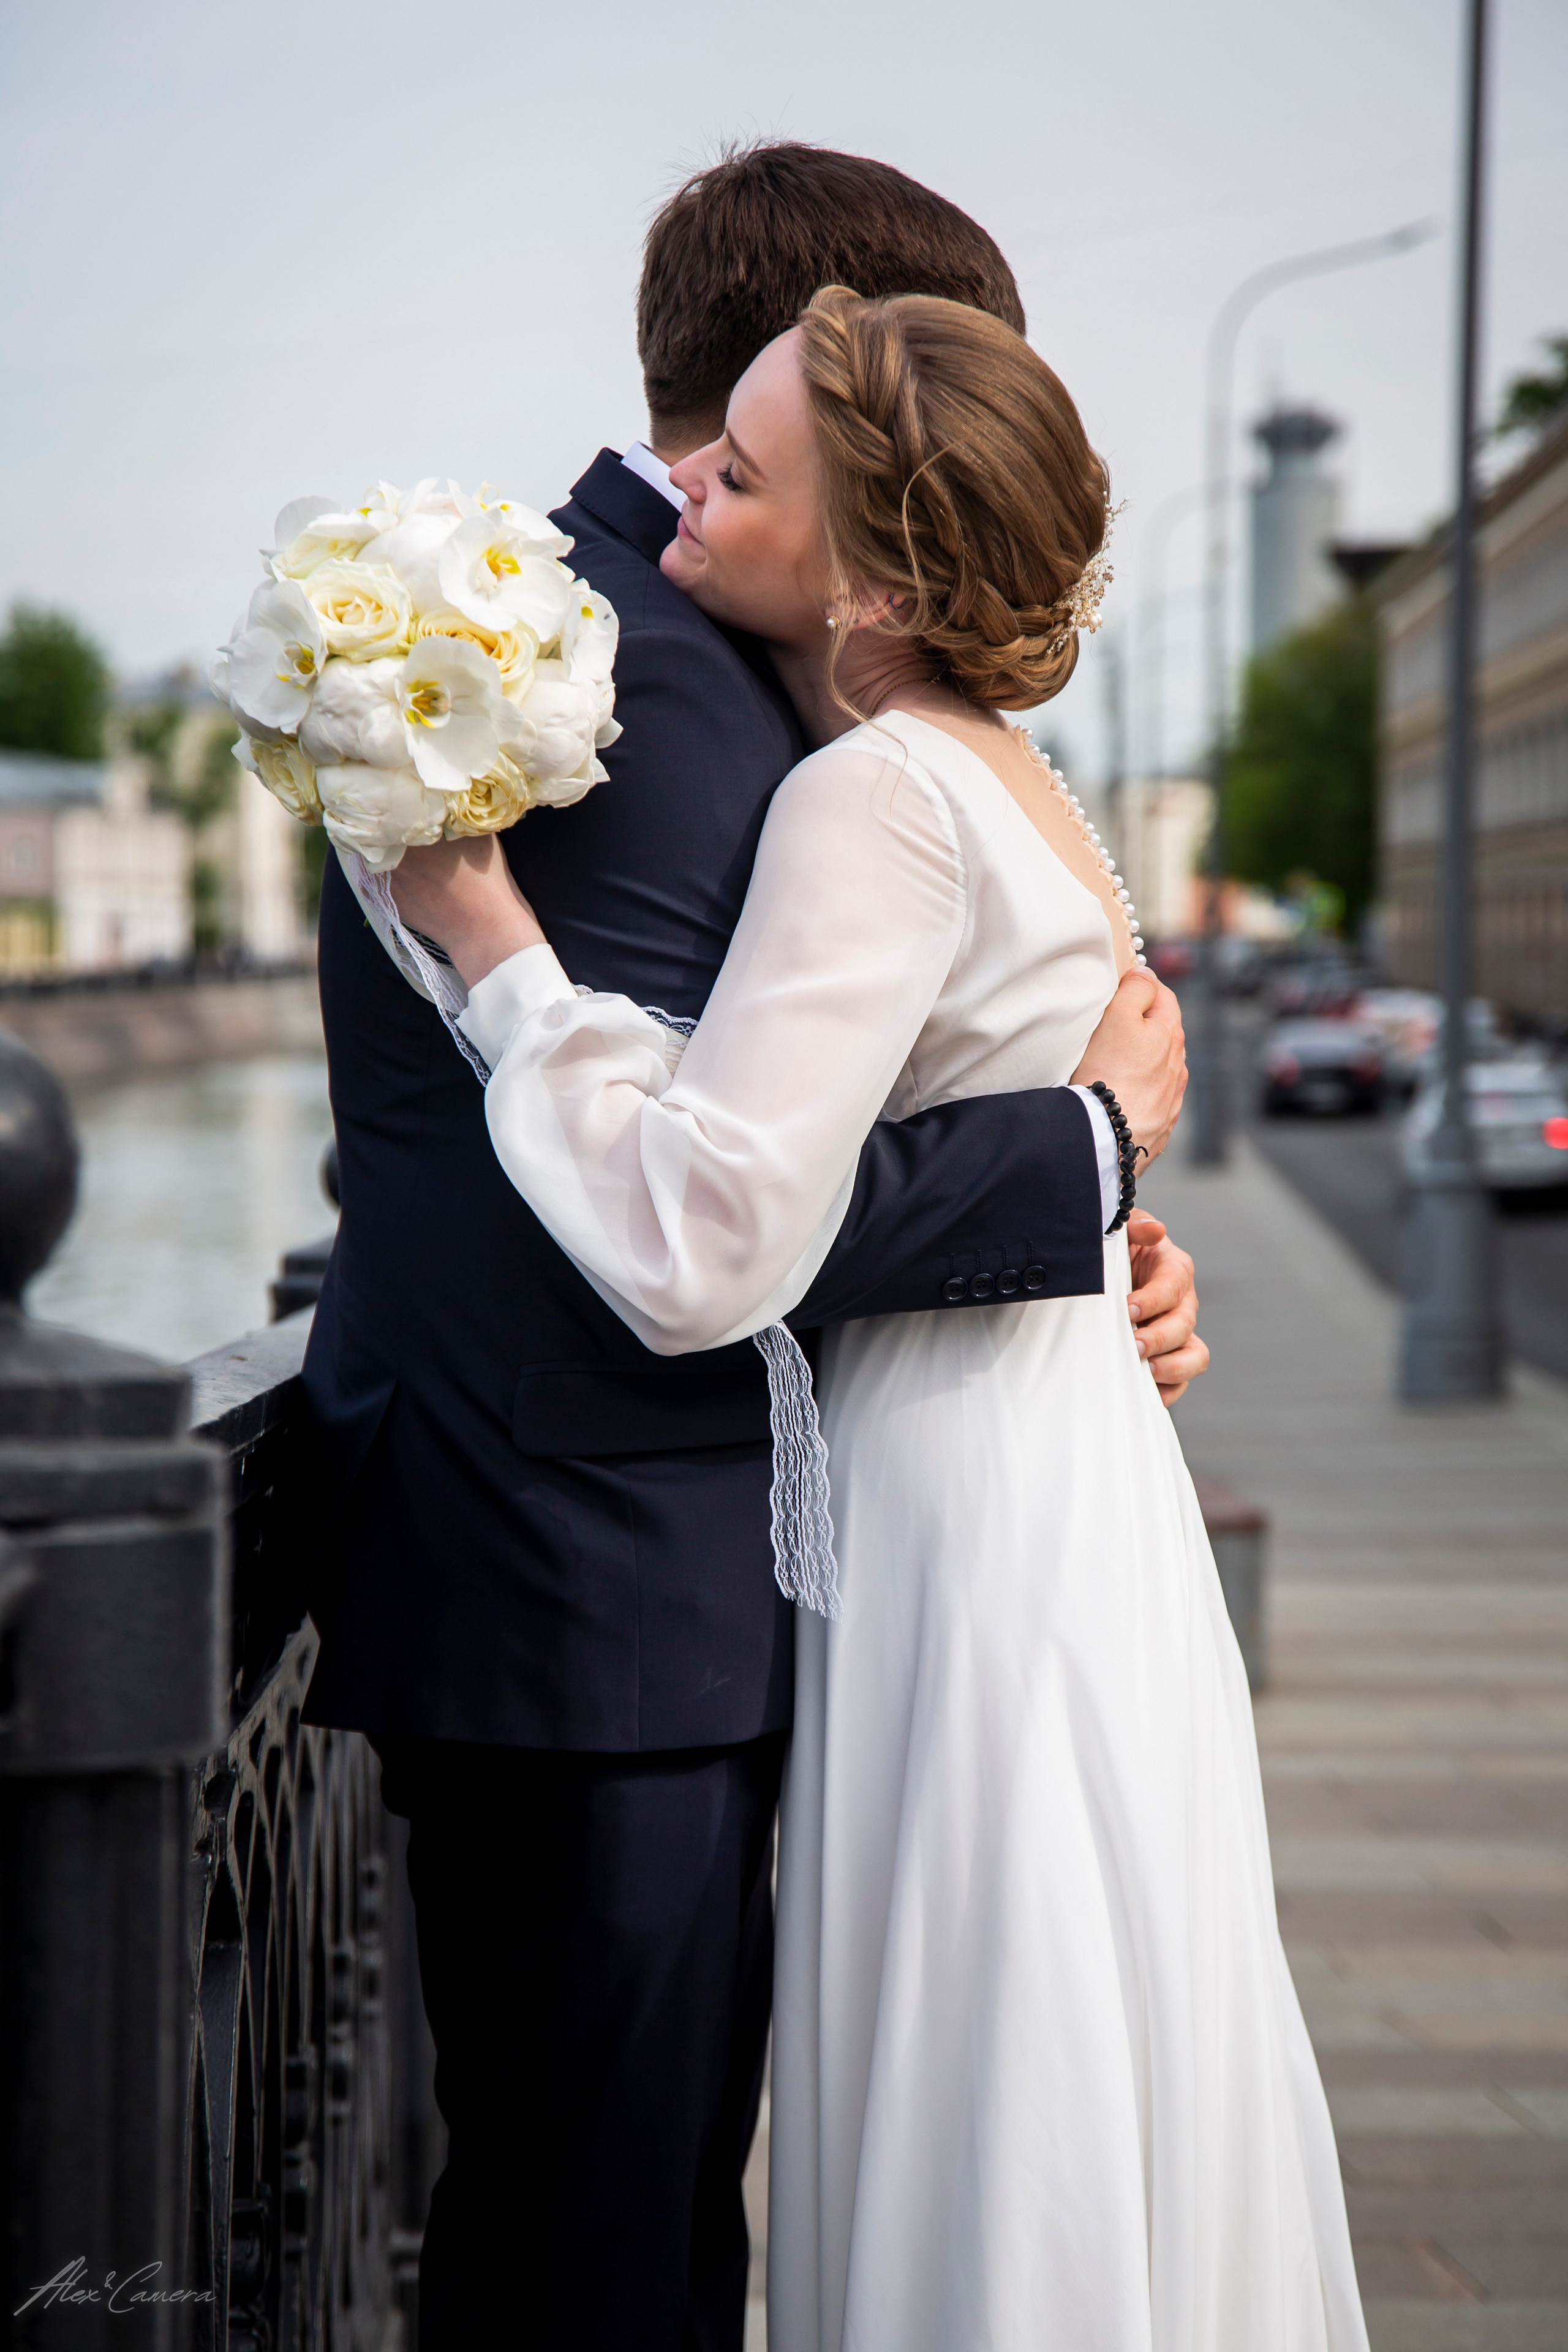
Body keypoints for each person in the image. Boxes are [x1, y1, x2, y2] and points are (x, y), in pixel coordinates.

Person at [388, 287, 1366, 2350]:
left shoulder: (867, 800)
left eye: (744, 474)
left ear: (885, 566)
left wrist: (496, 962)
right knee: (1099, 2021)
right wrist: (1100, 1205)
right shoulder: (1025, 785)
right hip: (1076, 1484)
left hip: (955, 1512)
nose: (691, 492)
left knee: (983, 2041)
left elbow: (703, 1248)